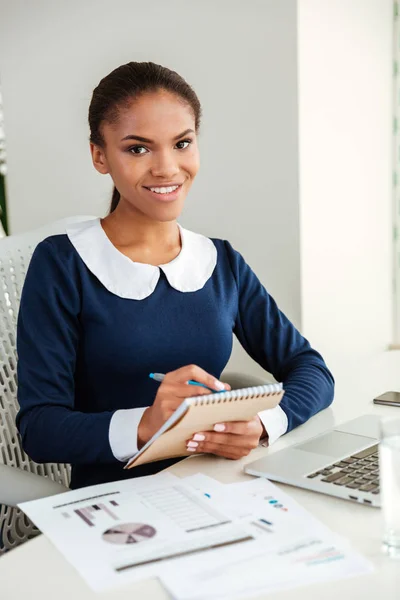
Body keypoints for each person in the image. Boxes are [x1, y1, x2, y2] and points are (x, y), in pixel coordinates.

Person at [16, 62, 334, 490]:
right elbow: (40, 428)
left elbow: (311, 369)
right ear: (99, 156)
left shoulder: (220, 261)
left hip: (222, 487)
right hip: (118, 509)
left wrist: (263, 423)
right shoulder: (62, 265)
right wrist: (146, 425)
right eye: (138, 149)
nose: (167, 168)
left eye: (182, 143)